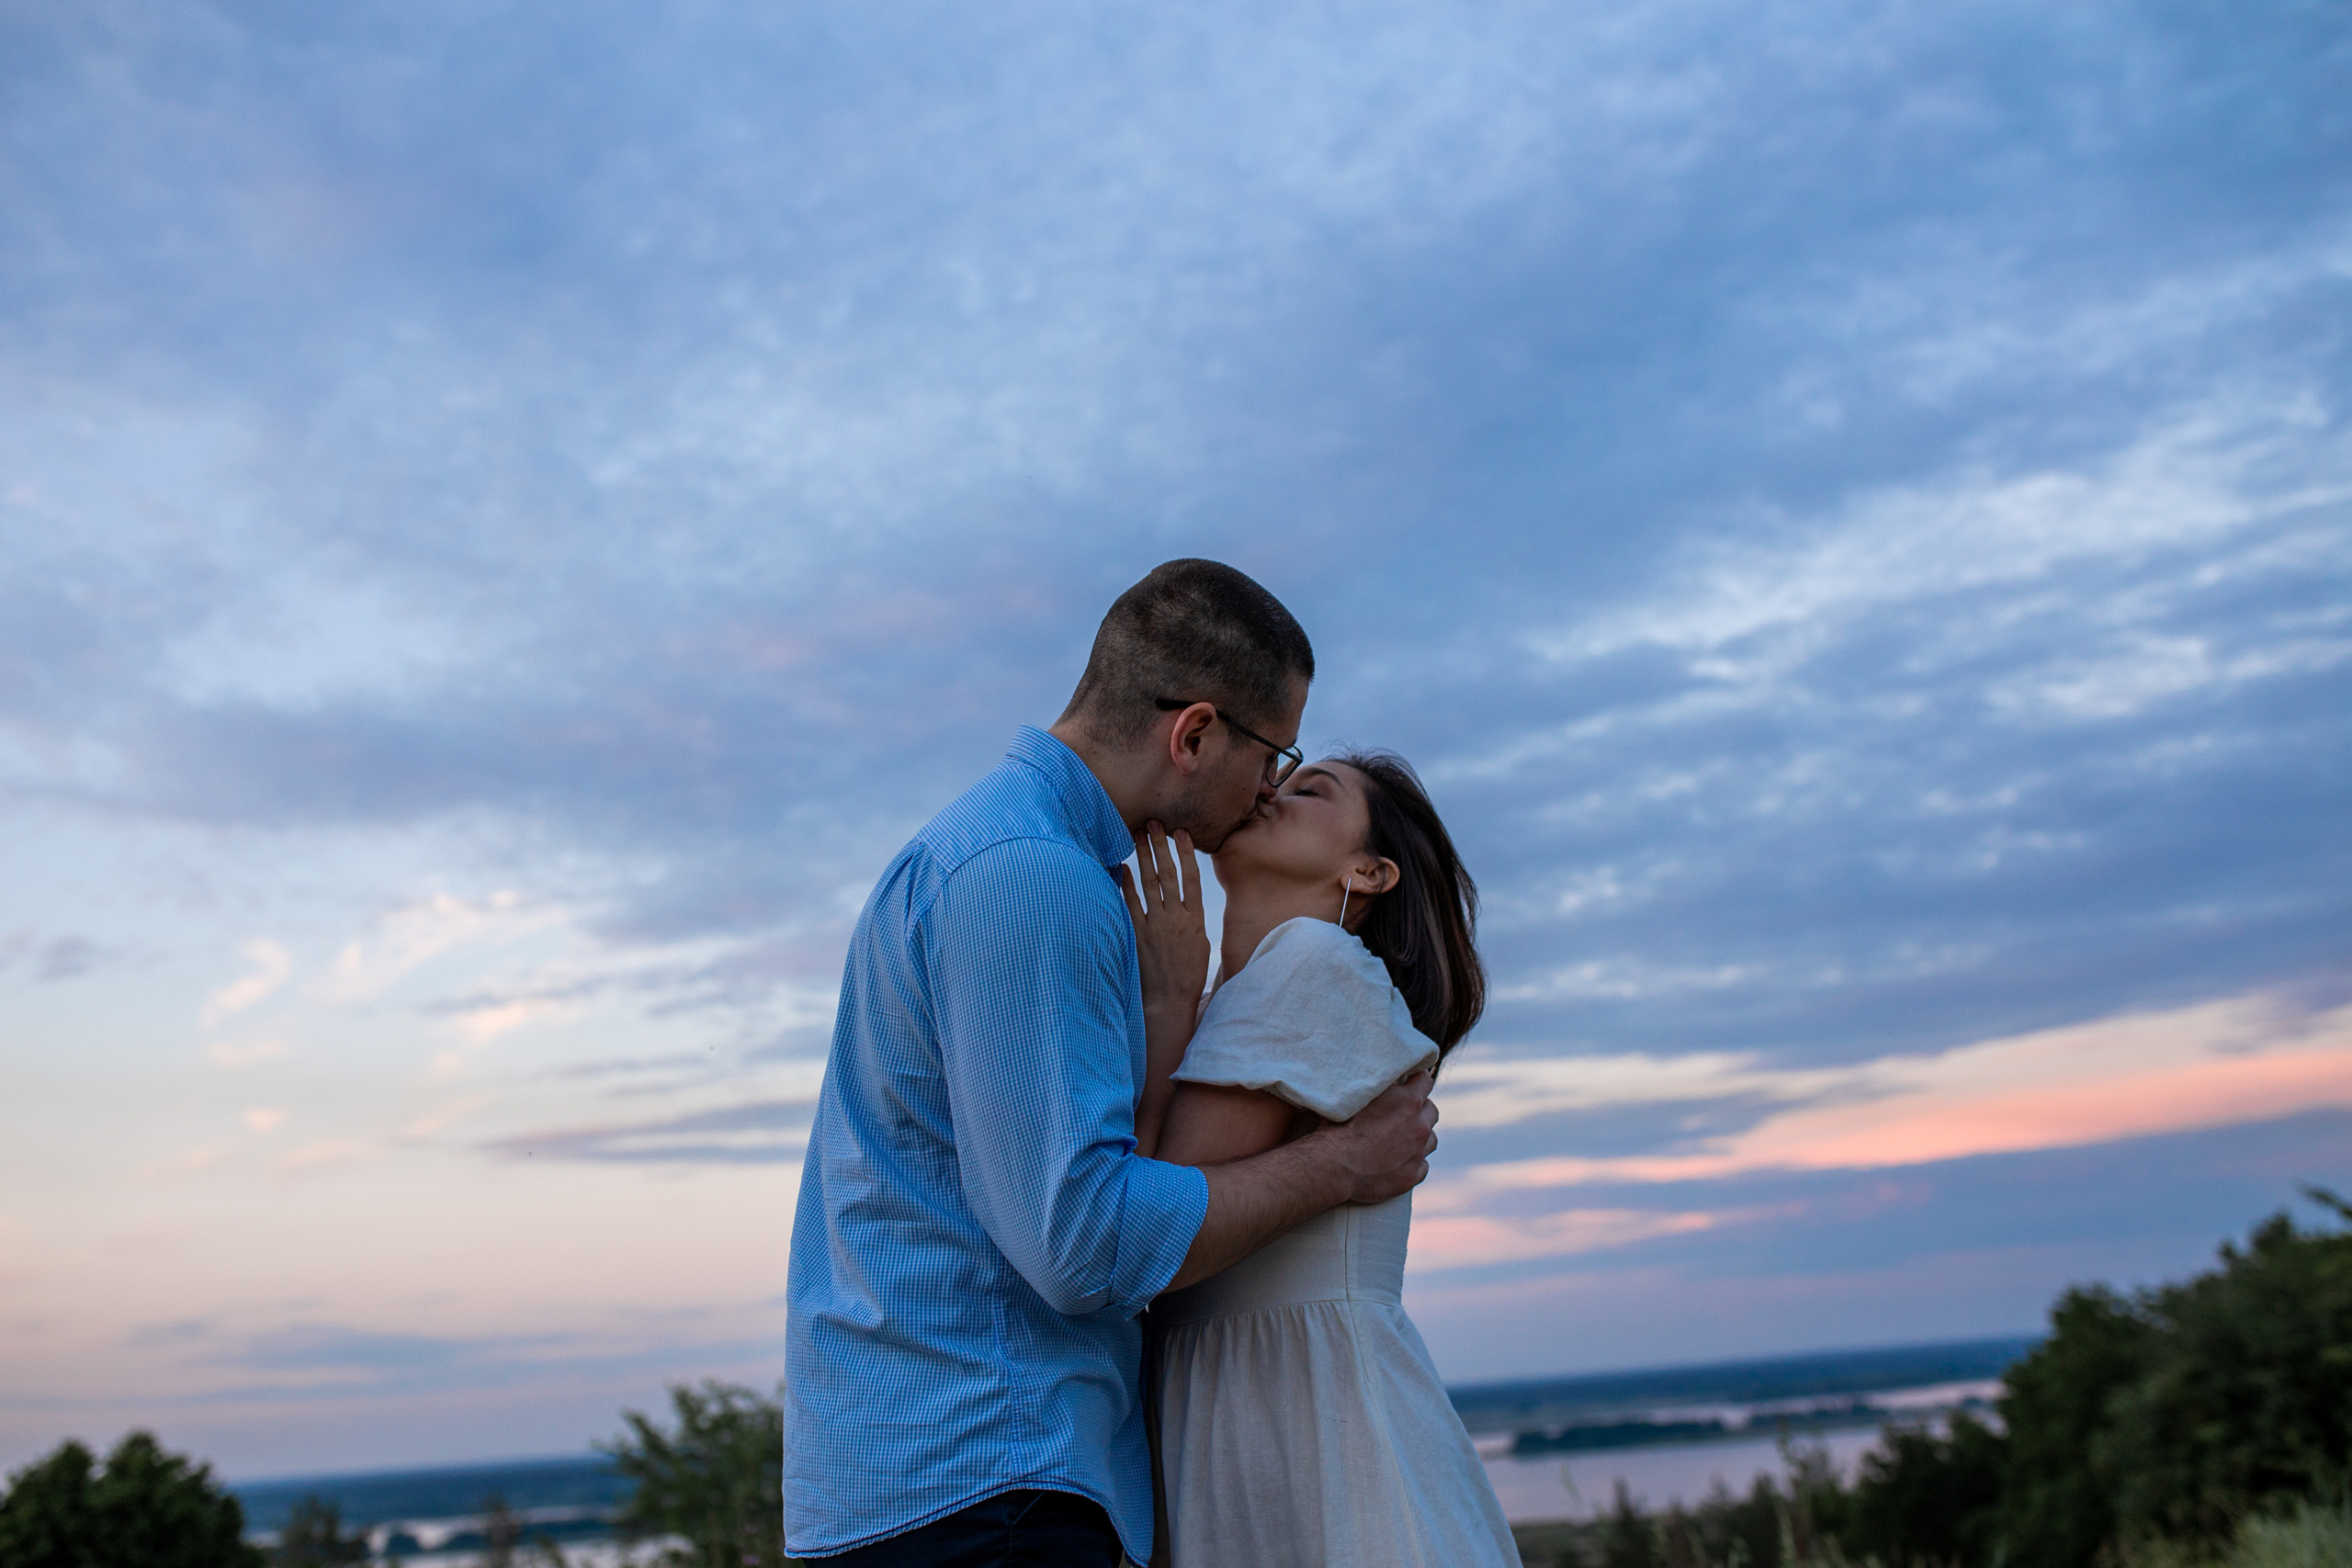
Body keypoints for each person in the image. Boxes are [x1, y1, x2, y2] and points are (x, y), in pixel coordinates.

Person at [783, 559, 1442, 1566]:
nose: (1269, 787)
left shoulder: (996, 856)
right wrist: (1340, 1166)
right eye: (1274, 754)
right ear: (1195, 734)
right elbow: (1081, 1243)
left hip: (956, 1482)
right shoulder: (1032, 879)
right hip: (985, 1480)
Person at [1127, 749, 1519, 1568]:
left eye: (1313, 790)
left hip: (1308, 1422)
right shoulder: (1234, 997)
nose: (1273, 787)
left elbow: (1151, 1231)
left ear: (1370, 873)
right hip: (1252, 1407)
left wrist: (1164, 1003)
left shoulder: (1312, 963)